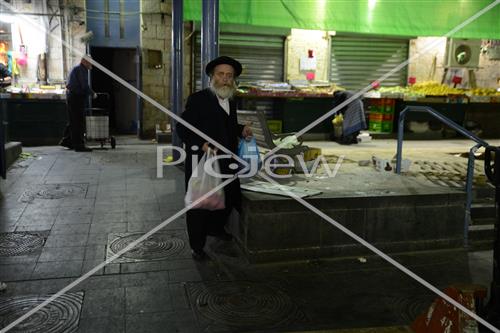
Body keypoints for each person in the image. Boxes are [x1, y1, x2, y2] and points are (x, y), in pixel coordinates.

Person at [177, 56, 252, 261]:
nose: (225, 79)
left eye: (229, 76)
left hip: (227, 160)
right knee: (200, 204)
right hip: (203, 161)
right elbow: (182, 127)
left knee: (229, 196)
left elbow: (226, 125)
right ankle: (197, 247)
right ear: (212, 76)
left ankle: (216, 228)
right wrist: (201, 143)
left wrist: (241, 129)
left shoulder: (231, 101)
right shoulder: (199, 99)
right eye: (221, 74)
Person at [60, 56, 96, 152]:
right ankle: (79, 145)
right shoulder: (81, 70)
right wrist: (92, 93)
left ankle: (67, 141)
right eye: (90, 62)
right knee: (78, 122)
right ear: (84, 61)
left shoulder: (79, 69)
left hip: (73, 97)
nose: (91, 64)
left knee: (73, 120)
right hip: (76, 98)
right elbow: (84, 85)